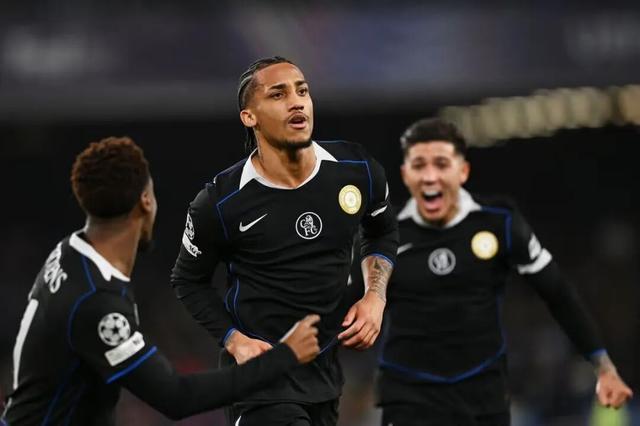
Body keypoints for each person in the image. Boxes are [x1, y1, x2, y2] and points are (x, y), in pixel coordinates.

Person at [1, 137, 321, 426]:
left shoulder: (71, 252)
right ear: (145, 201)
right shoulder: (94, 301)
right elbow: (176, 397)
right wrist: (285, 356)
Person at [170, 56, 399, 426]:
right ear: (250, 117)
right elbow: (187, 280)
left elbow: (382, 231)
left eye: (302, 91)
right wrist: (235, 341)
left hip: (324, 375)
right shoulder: (220, 202)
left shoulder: (357, 170)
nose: (296, 102)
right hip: (259, 383)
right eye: (278, 95)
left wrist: (375, 296)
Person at [371, 118, 633, 425]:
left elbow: (557, 292)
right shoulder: (384, 235)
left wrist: (602, 365)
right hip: (409, 395)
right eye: (419, 165)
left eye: (441, 164)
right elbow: (341, 301)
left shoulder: (501, 224)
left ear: (463, 171)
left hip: (481, 394)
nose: (430, 176)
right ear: (406, 174)